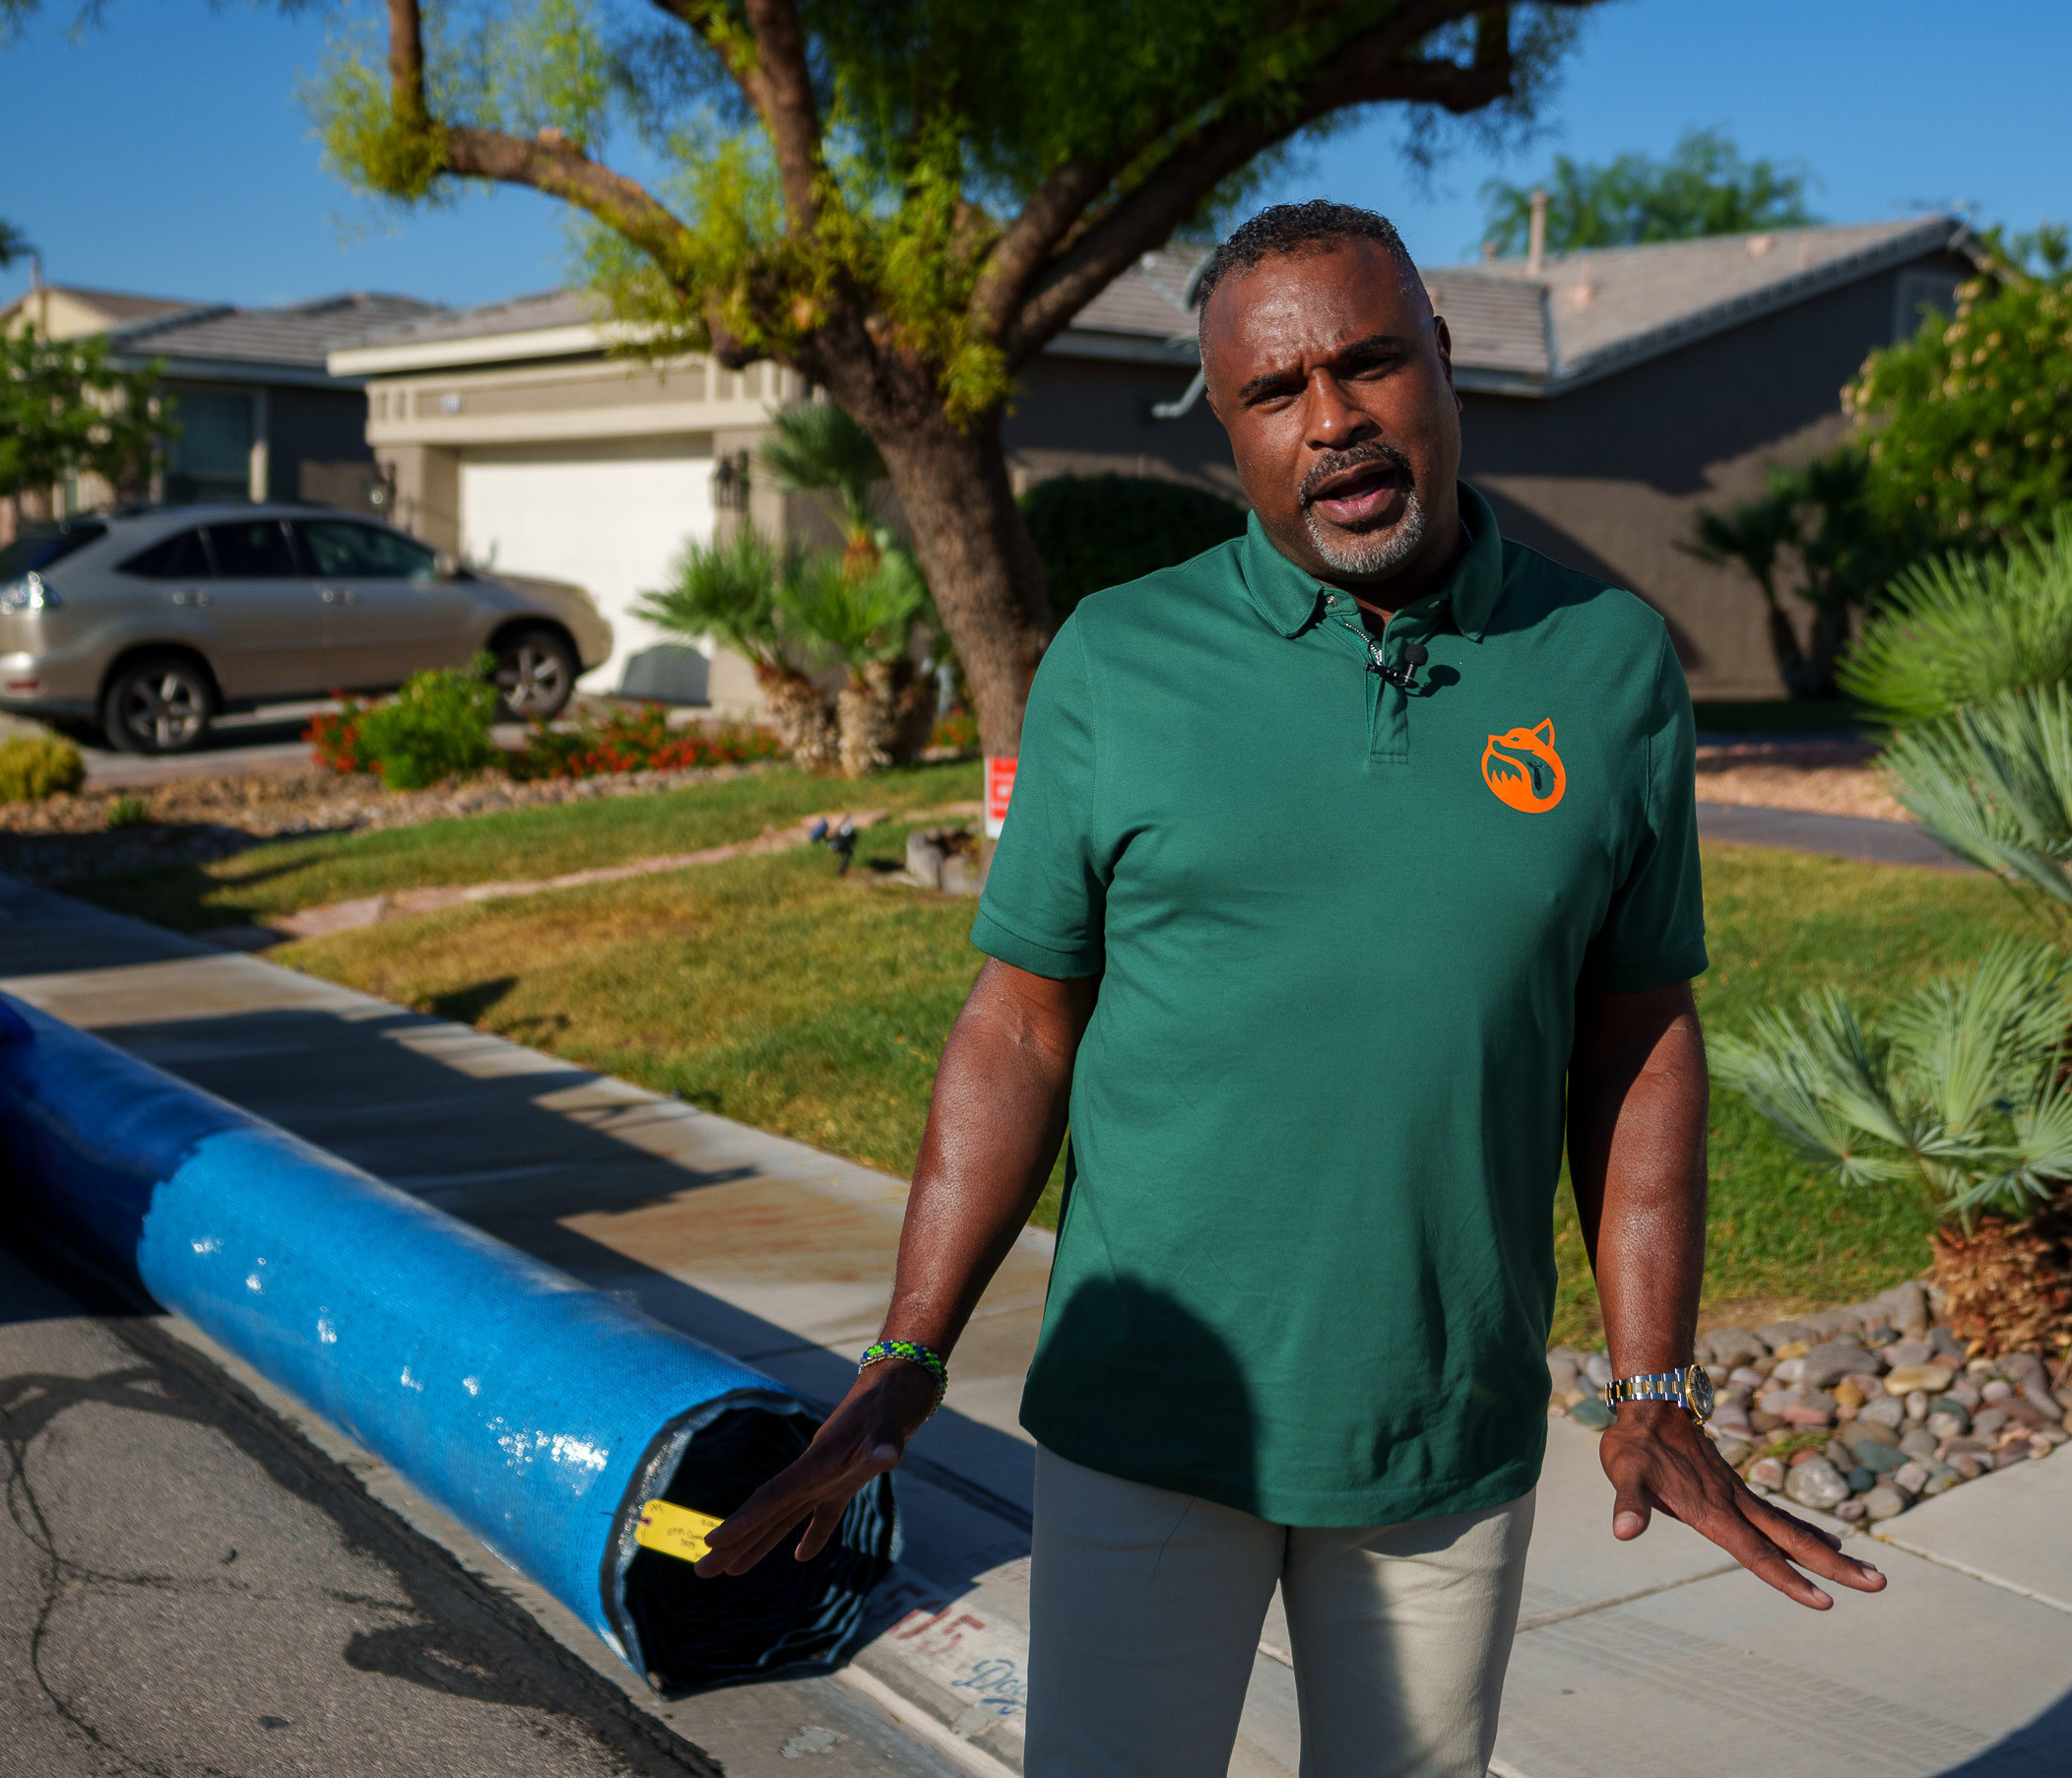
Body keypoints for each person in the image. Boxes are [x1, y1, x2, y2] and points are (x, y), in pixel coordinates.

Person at [697, 200, 1884, 1775]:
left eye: (1371, 364)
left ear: (1442, 365)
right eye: (1275, 392)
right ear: (1230, 427)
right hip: (1150, 1422)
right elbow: (1019, 1023)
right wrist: (907, 1358)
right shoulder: (1119, 661)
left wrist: (1652, 1376)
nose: (1333, 420)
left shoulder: (1604, 661)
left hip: (1439, 1428)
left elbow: (1637, 1033)